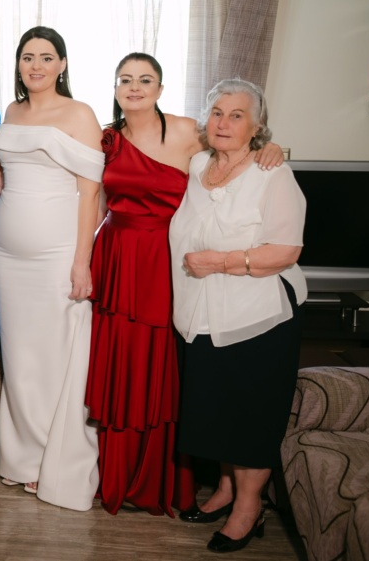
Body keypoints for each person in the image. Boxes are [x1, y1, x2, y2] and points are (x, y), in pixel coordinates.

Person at [85, 53, 283, 516]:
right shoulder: (105, 139)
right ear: (115, 89)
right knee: (121, 363)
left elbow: (236, 147)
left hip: (165, 259)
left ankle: (159, 479)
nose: (135, 87)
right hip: (116, 257)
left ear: (160, 88)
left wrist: (271, 148)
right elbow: (91, 201)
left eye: (145, 79)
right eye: (125, 80)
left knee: (162, 365)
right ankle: (115, 473)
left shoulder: (190, 132)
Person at [170, 78, 305, 552]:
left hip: (257, 318)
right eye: (217, 113)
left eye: (237, 115)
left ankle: (250, 507)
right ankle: (227, 489)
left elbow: (286, 250)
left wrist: (221, 261)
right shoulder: (197, 165)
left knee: (249, 417)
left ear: (257, 126)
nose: (224, 123)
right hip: (201, 315)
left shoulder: (273, 174)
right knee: (219, 409)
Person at [0, 26, 104, 511]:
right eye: (27, 57)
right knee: (19, 356)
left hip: (58, 254)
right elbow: (1, 175)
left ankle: (58, 461)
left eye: (46, 57)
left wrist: (82, 261)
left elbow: (91, 194)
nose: (36, 65)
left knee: (56, 356)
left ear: (62, 64)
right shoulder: (10, 112)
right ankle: (23, 458)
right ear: (18, 64)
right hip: (7, 255)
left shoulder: (80, 114)